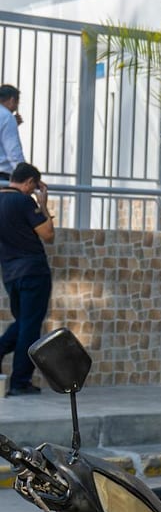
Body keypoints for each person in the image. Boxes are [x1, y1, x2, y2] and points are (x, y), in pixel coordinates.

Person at [0, 162, 54, 396]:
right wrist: (42, 204)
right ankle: (20, 382)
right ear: (30, 182)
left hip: (10, 275)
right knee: (29, 327)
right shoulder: (23, 201)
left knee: (23, 322)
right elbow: (48, 235)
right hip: (33, 272)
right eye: (34, 188)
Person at [0, 85, 25, 181]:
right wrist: (23, 172)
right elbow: (13, 150)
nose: (16, 107)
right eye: (17, 103)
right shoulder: (7, 116)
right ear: (12, 100)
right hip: (2, 173)